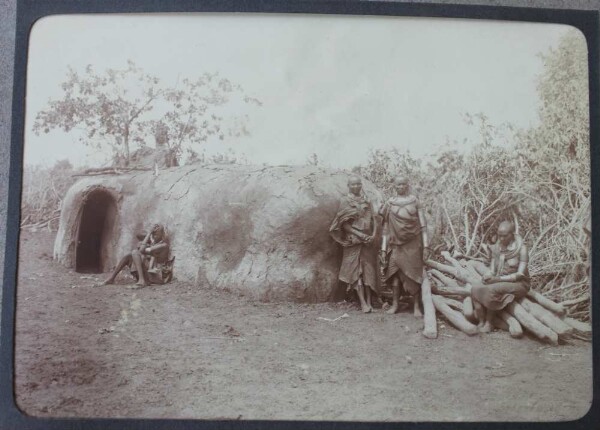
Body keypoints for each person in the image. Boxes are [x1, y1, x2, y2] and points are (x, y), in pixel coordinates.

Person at [379, 176, 430, 316]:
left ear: (407, 185)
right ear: (394, 186)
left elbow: (423, 226)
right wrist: (383, 250)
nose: (400, 187)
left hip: (413, 245)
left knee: (414, 275)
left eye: (403, 184)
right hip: (395, 245)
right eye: (398, 184)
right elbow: (386, 228)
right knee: (394, 274)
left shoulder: (415, 201)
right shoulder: (389, 203)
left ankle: (416, 306)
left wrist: (426, 247)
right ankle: (395, 304)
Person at [329, 176, 378, 313]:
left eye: (358, 184)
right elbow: (343, 224)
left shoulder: (366, 200)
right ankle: (362, 302)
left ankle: (369, 301)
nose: (356, 186)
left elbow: (374, 219)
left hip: (368, 241)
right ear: (348, 185)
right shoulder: (345, 201)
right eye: (353, 184)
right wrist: (360, 235)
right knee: (355, 271)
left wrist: (373, 235)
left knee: (368, 270)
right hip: (353, 240)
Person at [471, 221, 530, 333]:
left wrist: (498, 279)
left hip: (519, 284)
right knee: (475, 288)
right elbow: (492, 270)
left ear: (512, 234)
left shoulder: (522, 248)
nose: (501, 238)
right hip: (500, 280)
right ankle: (481, 321)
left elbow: (519, 275)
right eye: (499, 235)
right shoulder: (497, 248)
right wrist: (487, 276)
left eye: (504, 235)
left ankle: (490, 323)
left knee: (494, 289)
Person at [101, 223, 171, 287]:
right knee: (128, 256)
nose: (154, 237)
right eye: (153, 234)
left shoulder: (163, 246)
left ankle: (141, 280)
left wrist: (149, 233)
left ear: (162, 235)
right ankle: (111, 278)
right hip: (151, 273)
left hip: (157, 276)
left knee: (135, 252)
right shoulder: (154, 244)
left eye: (156, 235)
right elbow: (143, 248)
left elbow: (141, 250)